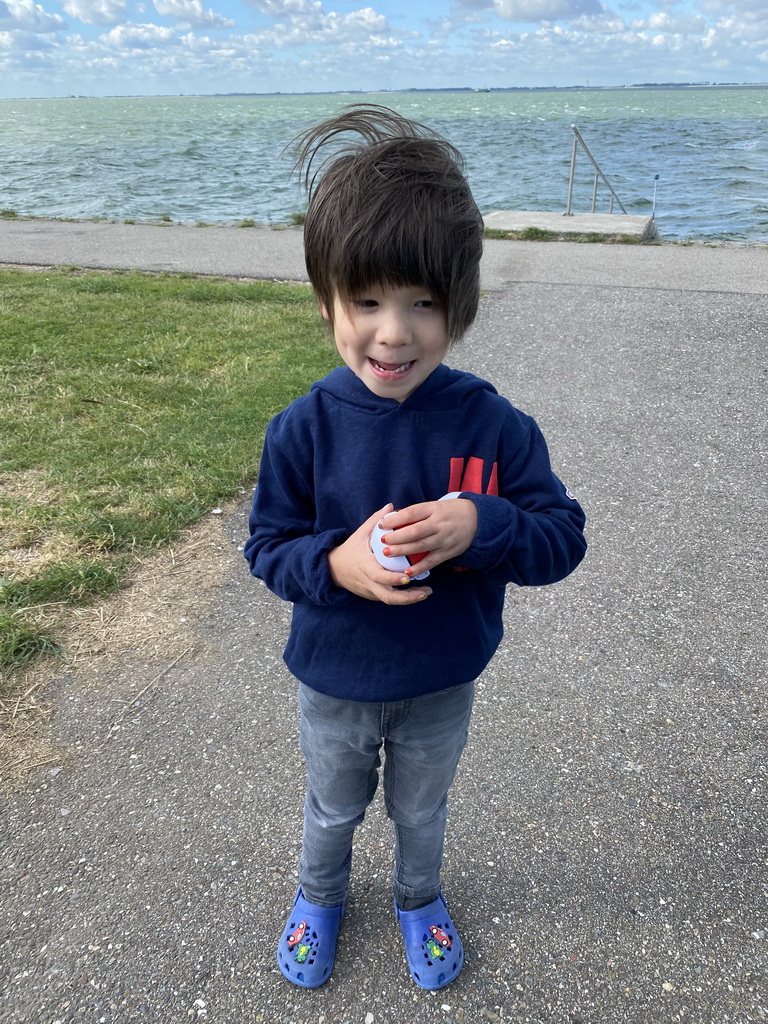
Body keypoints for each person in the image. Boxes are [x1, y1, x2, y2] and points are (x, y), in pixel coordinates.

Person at [244, 105, 587, 991]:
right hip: (336, 678)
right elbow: (268, 547)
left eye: (421, 303)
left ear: (459, 308)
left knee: (422, 807)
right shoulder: (303, 429)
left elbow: (561, 540)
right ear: (327, 300)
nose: (392, 331)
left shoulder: (493, 424)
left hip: (442, 677)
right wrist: (334, 565)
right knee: (332, 805)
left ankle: (417, 896)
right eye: (365, 300)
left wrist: (486, 525)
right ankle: (319, 896)